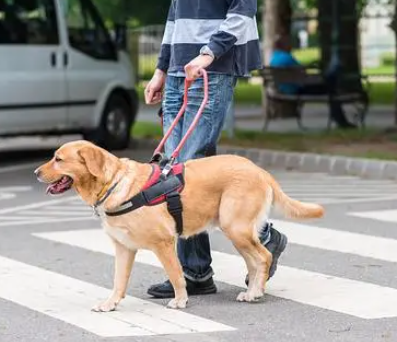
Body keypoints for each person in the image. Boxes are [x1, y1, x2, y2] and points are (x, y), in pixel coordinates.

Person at [143, 0, 288, 299]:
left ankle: (263, 237)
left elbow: (241, 12)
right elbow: (175, 19)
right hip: (177, 71)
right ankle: (195, 273)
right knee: (178, 173)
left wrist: (208, 54)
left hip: (213, 68)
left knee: (187, 173)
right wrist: (161, 69)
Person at [269, 34, 356, 129]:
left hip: (286, 89)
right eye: (287, 42)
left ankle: (333, 77)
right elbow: (303, 73)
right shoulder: (287, 58)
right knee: (332, 88)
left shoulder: (274, 58)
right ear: (283, 45)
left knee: (331, 85)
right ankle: (341, 121)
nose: (290, 44)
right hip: (297, 90)